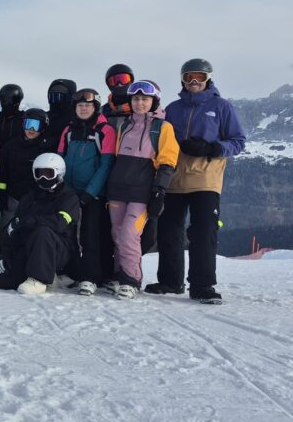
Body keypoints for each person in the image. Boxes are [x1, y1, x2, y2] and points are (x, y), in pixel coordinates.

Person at [154, 59, 246, 304]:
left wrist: (213, 148)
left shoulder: (221, 107)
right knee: (168, 229)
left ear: (208, 79)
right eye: (189, 77)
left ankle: (202, 285)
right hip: (175, 177)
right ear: (182, 79)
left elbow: (238, 141)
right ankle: (170, 281)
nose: (194, 81)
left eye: (199, 77)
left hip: (206, 177)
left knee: (203, 231)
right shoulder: (173, 109)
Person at [105, 80, 179, 300]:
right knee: (117, 234)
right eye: (136, 99)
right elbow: (116, 158)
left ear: (154, 101)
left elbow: (168, 162)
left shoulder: (162, 128)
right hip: (117, 189)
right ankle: (120, 276)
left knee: (129, 235)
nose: (139, 103)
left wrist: (159, 190)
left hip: (142, 192)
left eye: (145, 99)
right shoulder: (124, 126)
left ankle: (131, 280)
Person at [0, 153, 81, 294]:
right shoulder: (29, 198)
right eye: (39, 174)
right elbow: (15, 226)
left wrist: (31, 221)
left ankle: (39, 280)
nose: (43, 178)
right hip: (31, 247)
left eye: (48, 174)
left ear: (59, 173)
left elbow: (59, 223)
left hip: (60, 249)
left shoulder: (69, 197)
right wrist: (5, 255)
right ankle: (50, 277)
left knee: (43, 231)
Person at [58, 89, 115, 295]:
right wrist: (61, 188)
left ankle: (90, 277)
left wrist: (91, 192)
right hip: (69, 191)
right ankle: (72, 272)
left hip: (93, 193)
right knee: (68, 232)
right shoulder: (68, 130)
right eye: (80, 105)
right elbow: (60, 158)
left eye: (88, 105)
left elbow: (106, 164)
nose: (83, 109)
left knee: (90, 234)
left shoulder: (105, 131)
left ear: (95, 108)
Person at [0, 108, 52, 216]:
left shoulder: (45, 150)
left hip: (35, 201)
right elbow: (2, 173)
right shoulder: (11, 146)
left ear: (43, 128)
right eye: (28, 124)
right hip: (12, 198)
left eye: (36, 126)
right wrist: (0, 194)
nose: (31, 129)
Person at [101, 64, 135, 133]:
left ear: (131, 81)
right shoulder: (102, 111)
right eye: (114, 81)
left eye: (124, 79)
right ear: (109, 85)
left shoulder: (140, 109)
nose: (119, 84)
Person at [45, 79, 77, 143]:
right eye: (53, 96)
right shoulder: (44, 118)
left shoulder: (77, 121)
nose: (56, 101)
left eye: (61, 96)